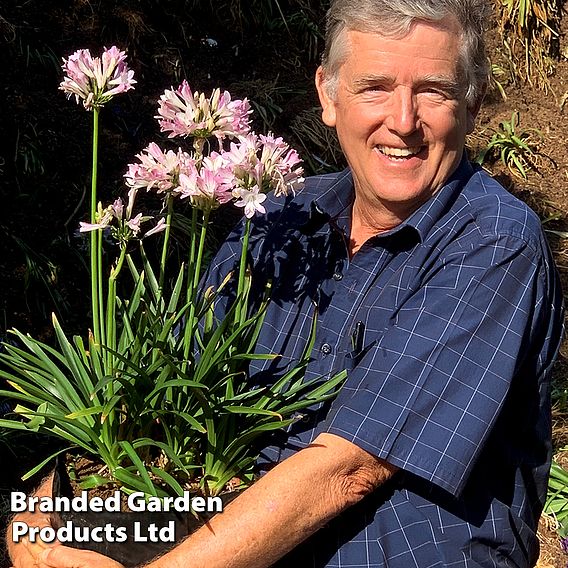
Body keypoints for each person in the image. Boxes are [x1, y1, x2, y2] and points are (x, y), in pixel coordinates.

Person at [8, 0, 565, 566]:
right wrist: (42, 516)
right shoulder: (278, 217)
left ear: (471, 104)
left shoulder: (495, 241)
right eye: (374, 87)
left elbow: (348, 471)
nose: (402, 120)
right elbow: (161, 397)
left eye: (434, 91)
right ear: (328, 95)